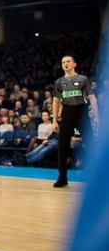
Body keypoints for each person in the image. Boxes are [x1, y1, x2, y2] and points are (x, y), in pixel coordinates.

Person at [52, 54, 98, 188]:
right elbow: (56, 101)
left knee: (90, 144)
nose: (65, 64)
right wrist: (54, 120)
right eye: (63, 62)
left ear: (74, 64)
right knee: (62, 146)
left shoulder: (83, 79)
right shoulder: (59, 82)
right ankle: (62, 177)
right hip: (66, 113)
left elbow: (92, 97)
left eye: (68, 61)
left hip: (81, 112)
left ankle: (98, 175)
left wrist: (97, 116)